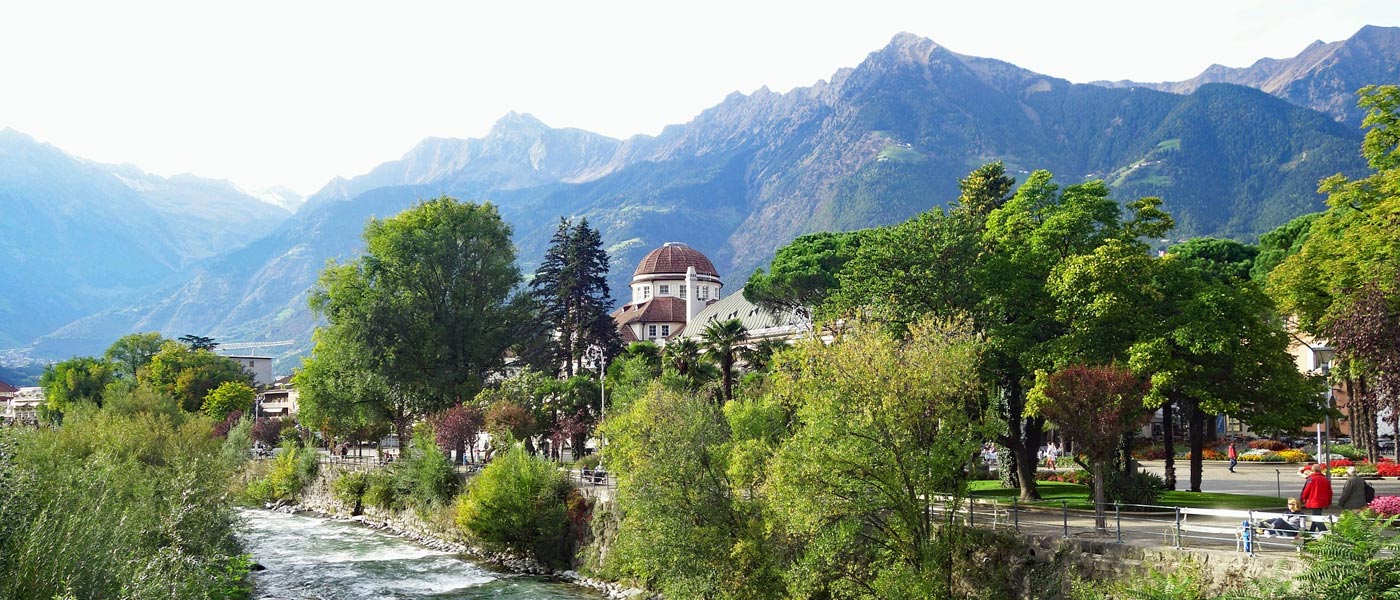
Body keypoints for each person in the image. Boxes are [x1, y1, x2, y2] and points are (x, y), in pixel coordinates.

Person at [1300, 463, 1333, 532]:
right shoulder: (1325, 479)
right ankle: (1312, 531)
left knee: (1317, 517)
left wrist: (1302, 498)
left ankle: (1324, 532)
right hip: (1323, 501)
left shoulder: (1311, 479)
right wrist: (1329, 502)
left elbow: (1306, 490)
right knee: (1316, 515)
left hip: (1314, 501)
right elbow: (1330, 492)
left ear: (1312, 470)